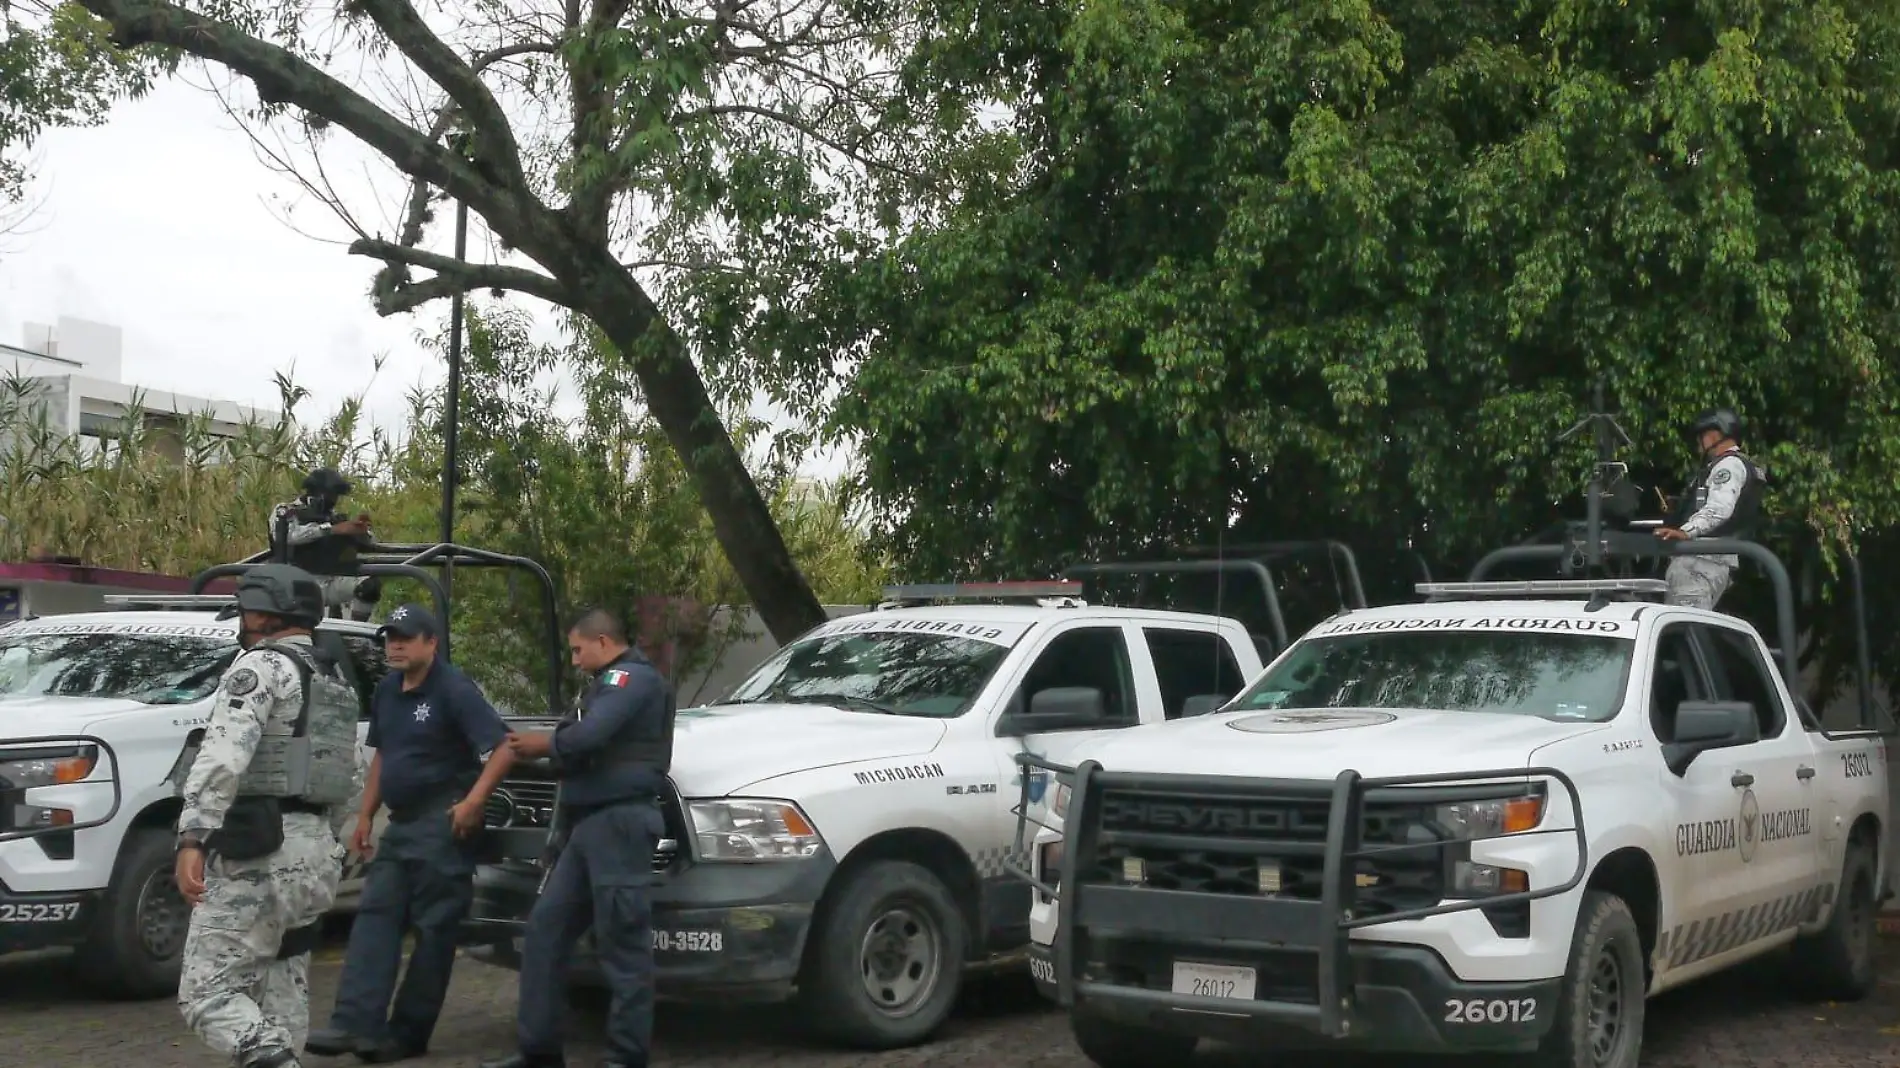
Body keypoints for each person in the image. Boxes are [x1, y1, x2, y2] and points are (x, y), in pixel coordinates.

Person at [304, 603, 515, 1063]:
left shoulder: (454, 690)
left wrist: (474, 801)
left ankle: (407, 1034)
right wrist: (365, 814)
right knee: (375, 919)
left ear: (431, 642)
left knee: (435, 933)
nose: (394, 645)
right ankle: (353, 1023)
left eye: (405, 637)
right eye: (389, 637)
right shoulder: (386, 691)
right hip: (400, 825)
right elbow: (384, 754)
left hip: (444, 825)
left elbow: (502, 748)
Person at [175, 564, 362, 1068]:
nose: (240, 618)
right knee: (284, 986)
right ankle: (282, 1054)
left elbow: (222, 757)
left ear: (264, 611)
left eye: (244, 608)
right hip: (315, 853)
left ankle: (275, 1061)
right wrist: (333, 841)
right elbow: (350, 773)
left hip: (258, 850)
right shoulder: (335, 678)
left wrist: (193, 834)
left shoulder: (261, 667)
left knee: (208, 993)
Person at [480, 608, 676, 1068]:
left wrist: (543, 743)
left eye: (577, 649)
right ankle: (539, 1051)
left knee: (623, 945)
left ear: (604, 642)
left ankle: (626, 1058)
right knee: (545, 931)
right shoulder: (602, 685)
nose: (573, 659)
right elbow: (580, 750)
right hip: (588, 825)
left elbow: (591, 736)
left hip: (621, 824)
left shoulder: (631, 680)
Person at [1653, 406, 1767, 610]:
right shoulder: (1730, 465)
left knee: (1684, 630)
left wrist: (1685, 532)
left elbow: (1719, 509)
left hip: (1700, 563)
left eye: (1702, 437)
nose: (1699, 443)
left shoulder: (1728, 466)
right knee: (1688, 630)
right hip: (1707, 563)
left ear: (1715, 435)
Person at [270, 467, 376, 621]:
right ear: (315, 491)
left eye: (336, 495)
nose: (333, 499)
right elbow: (289, 536)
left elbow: (370, 544)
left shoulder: (334, 518)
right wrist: (330, 530)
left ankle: (356, 635)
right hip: (296, 583)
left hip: (331, 580)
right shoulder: (286, 510)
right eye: (330, 494)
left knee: (370, 587)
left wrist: (361, 531)